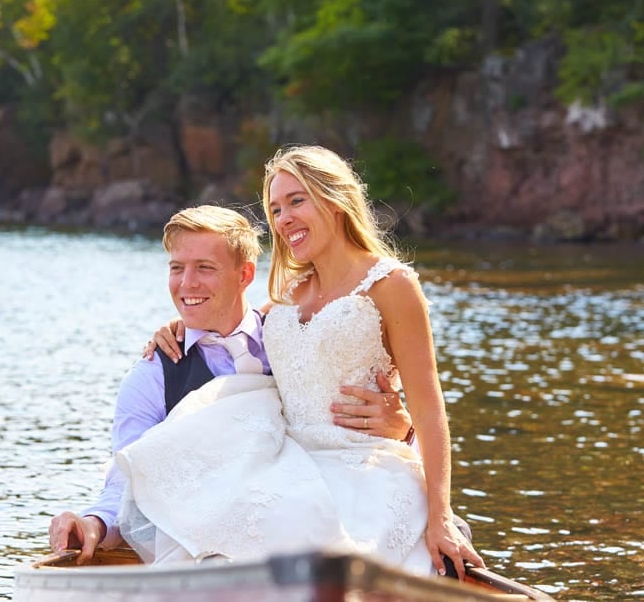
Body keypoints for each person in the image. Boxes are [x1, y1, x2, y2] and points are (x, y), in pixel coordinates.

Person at [124, 146, 484, 579]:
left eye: (297, 201)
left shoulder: (393, 285)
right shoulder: (287, 295)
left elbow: (430, 408)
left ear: (334, 199)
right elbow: (226, 317)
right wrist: (181, 324)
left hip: (363, 470)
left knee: (330, 561)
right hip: (288, 465)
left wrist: (440, 513)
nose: (283, 219)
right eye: (275, 208)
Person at [48, 205, 416, 565]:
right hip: (219, 550)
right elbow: (127, 480)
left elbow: (347, 429)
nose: (186, 283)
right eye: (177, 268)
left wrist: (403, 430)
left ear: (245, 275)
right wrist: (93, 524)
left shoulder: (292, 338)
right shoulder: (152, 376)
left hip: (327, 513)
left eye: (204, 268)